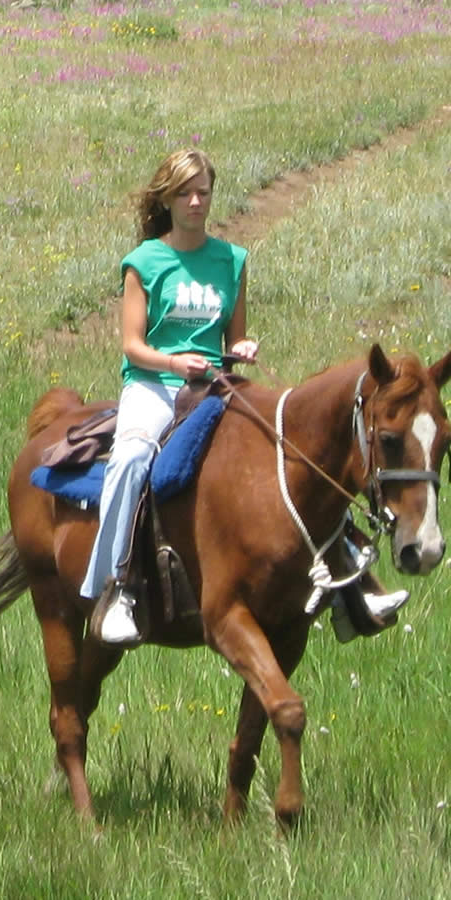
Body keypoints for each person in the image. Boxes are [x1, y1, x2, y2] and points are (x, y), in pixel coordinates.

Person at [82, 147, 408, 645]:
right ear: (167, 199)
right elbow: (132, 345)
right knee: (129, 458)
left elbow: (233, 337)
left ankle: (351, 585)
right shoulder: (144, 261)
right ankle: (116, 589)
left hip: (214, 385)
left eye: (204, 193)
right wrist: (174, 362)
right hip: (153, 384)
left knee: (297, 451)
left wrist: (241, 348)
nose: (196, 202)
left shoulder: (231, 260)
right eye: (186, 193)